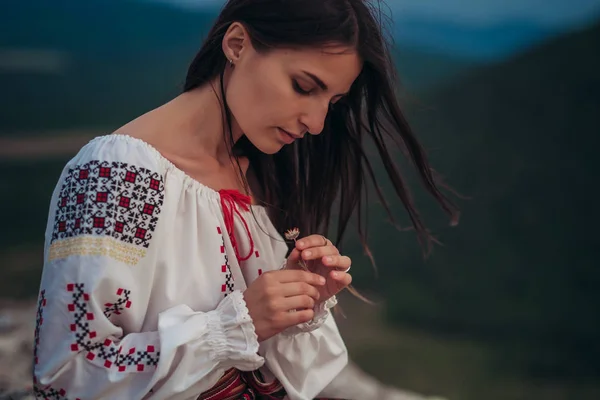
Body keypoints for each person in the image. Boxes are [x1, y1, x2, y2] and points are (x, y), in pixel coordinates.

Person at [32, 0, 458, 399]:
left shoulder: (257, 174)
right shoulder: (116, 174)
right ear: (237, 45)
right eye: (303, 86)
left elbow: (298, 377)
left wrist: (297, 304)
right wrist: (234, 325)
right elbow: (67, 375)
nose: (315, 122)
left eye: (333, 102)